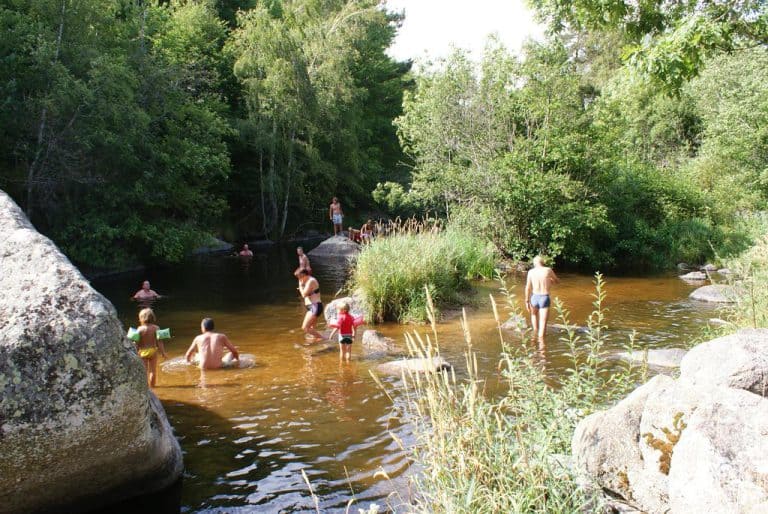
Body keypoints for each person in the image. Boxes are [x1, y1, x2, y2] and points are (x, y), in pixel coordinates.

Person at [524, 255, 559, 343]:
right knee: (542, 324)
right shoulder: (548, 270)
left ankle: (533, 341)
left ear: (534, 263)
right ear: (543, 262)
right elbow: (557, 281)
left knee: (533, 316)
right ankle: (542, 349)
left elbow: (527, 287)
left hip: (534, 297)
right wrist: (551, 280)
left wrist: (527, 301)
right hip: (544, 297)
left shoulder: (531, 272)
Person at [135, 308, 167, 387]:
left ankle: (145, 387)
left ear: (141, 318)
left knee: (144, 371)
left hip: (142, 352)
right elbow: (160, 342)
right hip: (153, 351)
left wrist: (135, 353)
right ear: (153, 317)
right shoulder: (156, 328)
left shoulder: (139, 329)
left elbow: (136, 343)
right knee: (153, 371)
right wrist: (163, 353)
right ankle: (153, 387)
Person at [297, 269, 323, 341]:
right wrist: (302, 286)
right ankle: (316, 342)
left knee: (305, 327)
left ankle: (324, 339)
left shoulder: (311, 281)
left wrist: (300, 286)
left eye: (299, 277)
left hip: (315, 306)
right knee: (312, 329)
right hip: (312, 306)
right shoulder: (308, 281)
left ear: (304, 275)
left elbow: (303, 294)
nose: (299, 279)